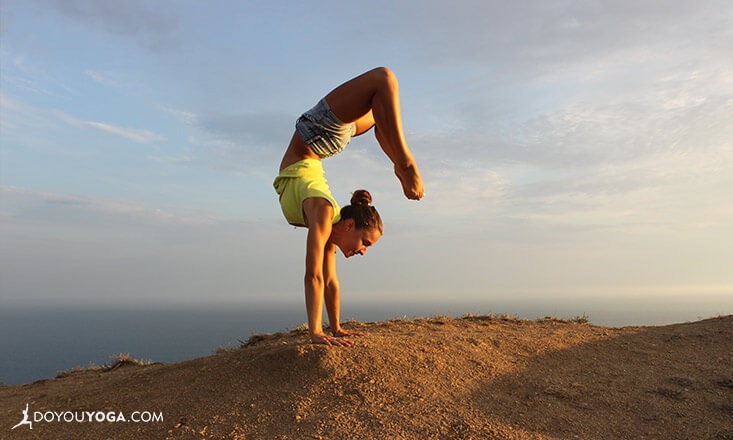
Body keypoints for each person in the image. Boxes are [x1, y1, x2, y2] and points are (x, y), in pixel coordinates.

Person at [274, 67, 424, 347]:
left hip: (327, 141)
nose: (363, 251)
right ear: (350, 224)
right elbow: (314, 275)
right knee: (384, 79)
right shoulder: (322, 212)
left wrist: (336, 328)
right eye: (365, 242)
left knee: (381, 110)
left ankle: (398, 161)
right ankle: (403, 162)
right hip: (316, 134)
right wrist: (315, 333)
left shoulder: (330, 230)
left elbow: (330, 281)